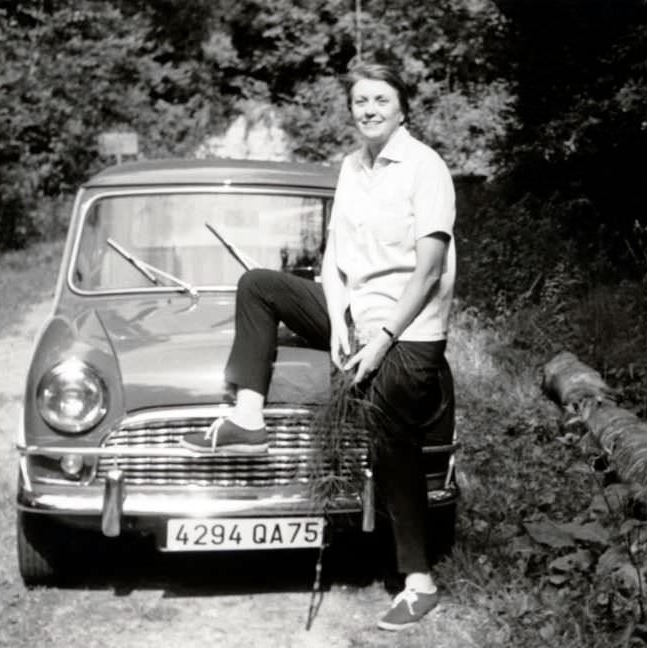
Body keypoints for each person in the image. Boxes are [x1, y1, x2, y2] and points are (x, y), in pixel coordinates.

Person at [181, 62, 456, 631]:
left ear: (403, 107)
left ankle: (418, 581)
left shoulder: (425, 167)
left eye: (381, 99)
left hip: (408, 332)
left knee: (390, 436)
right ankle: (249, 417)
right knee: (258, 285)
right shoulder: (352, 167)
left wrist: (380, 342)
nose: (370, 109)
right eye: (360, 101)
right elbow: (335, 259)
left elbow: (428, 272)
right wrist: (334, 322)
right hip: (353, 316)